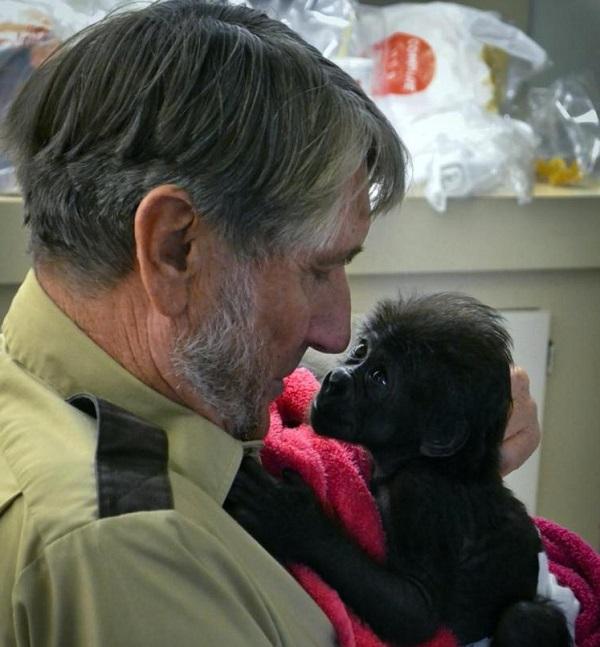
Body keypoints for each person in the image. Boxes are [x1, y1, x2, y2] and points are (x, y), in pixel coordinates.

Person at [0, 1, 540, 645]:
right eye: (317, 269)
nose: (336, 334)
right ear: (175, 249)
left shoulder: (96, 381)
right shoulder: (131, 553)